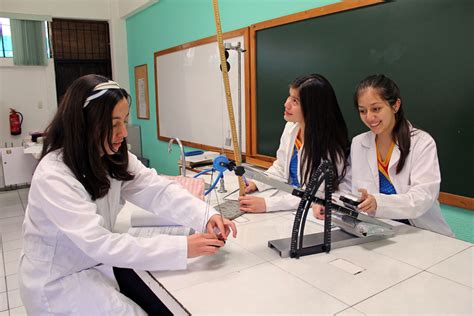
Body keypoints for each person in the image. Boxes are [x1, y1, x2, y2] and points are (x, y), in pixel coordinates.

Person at [19, 74, 237, 315]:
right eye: (114, 124)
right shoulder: (54, 175)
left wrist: (205, 215)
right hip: (59, 283)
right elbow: (100, 242)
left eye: (125, 121)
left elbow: (157, 190)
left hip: (94, 268)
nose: (123, 132)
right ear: (85, 124)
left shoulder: (112, 157)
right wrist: (182, 248)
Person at [314, 74, 452, 236]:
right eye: (362, 111)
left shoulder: (422, 143)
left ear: (395, 106)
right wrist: (329, 201)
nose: (369, 117)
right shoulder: (359, 143)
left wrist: (378, 202)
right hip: (379, 230)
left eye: (376, 109)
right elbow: (348, 186)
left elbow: (422, 197)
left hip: (421, 232)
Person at [239, 74, 350, 213]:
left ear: (313, 108)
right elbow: (280, 168)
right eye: (289, 97)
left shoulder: (330, 148)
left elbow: (316, 193)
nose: (286, 104)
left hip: (307, 210)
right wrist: (258, 183)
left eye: (295, 101)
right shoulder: (291, 127)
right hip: (287, 198)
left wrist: (268, 204)